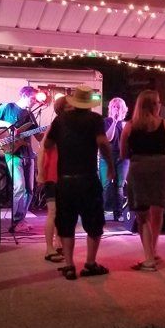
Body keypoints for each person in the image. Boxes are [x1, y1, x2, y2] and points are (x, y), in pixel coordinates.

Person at [43, 84, 114, 280]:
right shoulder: (95, 119)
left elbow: (47, 144)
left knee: (66, 223)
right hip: (88, 178)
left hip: (65, 180)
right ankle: (90, 264)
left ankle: (69, 265)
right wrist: (111, 166)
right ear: (89, 103)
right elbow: (103, 143)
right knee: (94, 222)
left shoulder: (60, 120)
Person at [120, 89, 165, 271]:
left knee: (142, 215)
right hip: (162, 168)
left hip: (139, 168)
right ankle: (152, 251)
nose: (160, 105)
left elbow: (123, 154)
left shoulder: (130, 126)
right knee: (157, 211)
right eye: (158, 102)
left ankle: (149, 258)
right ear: (153, 105)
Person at [0, 85, 44, 232]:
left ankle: (21, 220)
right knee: (19, 187)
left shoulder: (30, 115)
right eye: (32, 98)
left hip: (28, 154)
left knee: (30, 190)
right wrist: (7, 124)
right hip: (13, 154)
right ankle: (16, 222)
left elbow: (38, 136)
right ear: (24, 95)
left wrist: (47, 130)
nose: (34, 102)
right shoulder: (8, 107)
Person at [36, 94, 68, 263]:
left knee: (63, 212)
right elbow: (42, 149)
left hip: (65, 175)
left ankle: (58, 243)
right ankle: (49, 248)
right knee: (53, 211)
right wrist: (41, 173)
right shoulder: (55, 126)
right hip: (52, 175)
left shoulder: (70, 126)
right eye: (70, 106)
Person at [101, 97, 129, 221]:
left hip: (122, 158)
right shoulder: (106, 122)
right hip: (107, 156)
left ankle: (118, 214)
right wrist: (114, 121)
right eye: (113, 106)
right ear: (110, 109)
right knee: (106, 185)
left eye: (118, 107)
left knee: (119, 185)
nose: (116, 109)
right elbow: (108, 138)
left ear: (123, 109)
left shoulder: (126, 124)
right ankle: (103, 211)